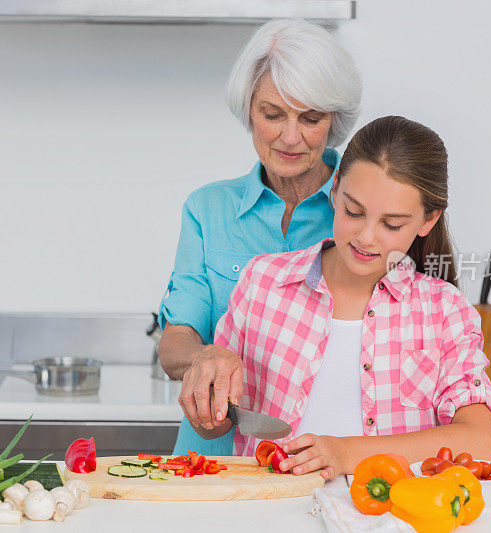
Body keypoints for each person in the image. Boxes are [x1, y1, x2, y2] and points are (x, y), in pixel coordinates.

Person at [189, 116, 491, 479]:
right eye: (354, 211)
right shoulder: (263, 283)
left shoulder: (444, 310)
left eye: (392, 224)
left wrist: (345, 452)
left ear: (427, 221)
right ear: (335, 188)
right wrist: (204, 396)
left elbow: (483, 441)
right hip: (270, 514)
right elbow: (216, 425)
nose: (366, 237)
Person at [157, 19, 362, 455]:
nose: (290, 137)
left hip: (323, 459)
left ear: (334, 120)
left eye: (311, 118)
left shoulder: (365, 215)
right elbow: (176, 338)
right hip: (210, 458)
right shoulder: (207, 210)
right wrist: (204, 357)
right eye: (272, 114)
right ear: (248, 109)